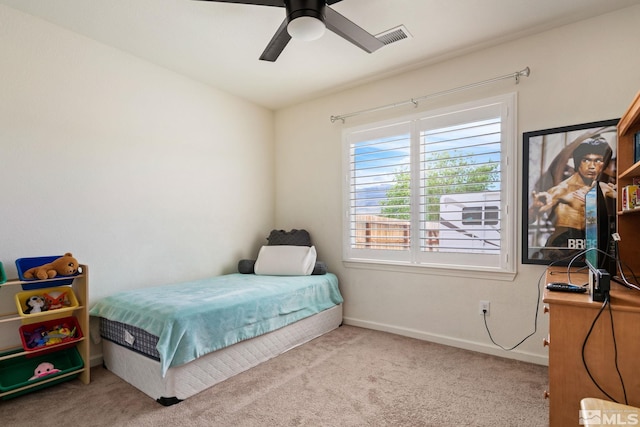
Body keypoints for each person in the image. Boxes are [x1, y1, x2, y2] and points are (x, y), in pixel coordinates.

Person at [530, 137, 614, 251]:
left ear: (603, 164)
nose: (592, 166)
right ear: (578, 162)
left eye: (598, 160)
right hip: (561, 249)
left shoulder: (604, 189)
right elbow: (528, 220)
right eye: (586, 160)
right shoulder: (562, 190)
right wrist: (535, 208)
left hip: (591, 250)